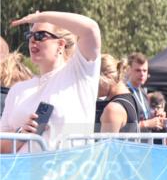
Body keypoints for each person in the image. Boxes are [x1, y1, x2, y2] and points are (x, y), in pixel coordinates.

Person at [1, 10, 102, 153]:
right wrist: (20, 135)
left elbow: (90, 29)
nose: (33, 40)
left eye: (40, 35)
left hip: (70, 167)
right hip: (23, 167)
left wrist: (41, 16)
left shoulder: (79, 73)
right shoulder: (18, 90)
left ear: (60, 44)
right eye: (30, 35)